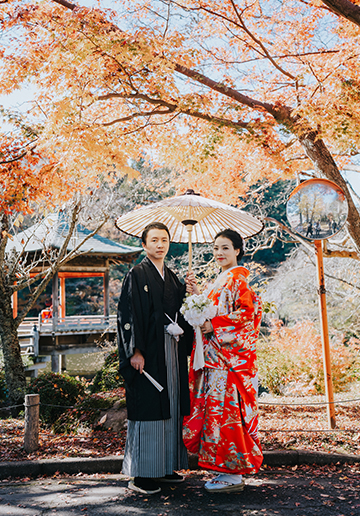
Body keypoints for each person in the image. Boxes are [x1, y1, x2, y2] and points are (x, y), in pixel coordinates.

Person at [184, 229, 263, 493]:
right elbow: (208, 309)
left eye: (226, 248)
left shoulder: (238, 280)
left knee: (228, 415)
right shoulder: (221, 280)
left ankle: (232, 472)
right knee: (216, 414)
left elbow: (246, 316)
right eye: (216, 248)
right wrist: (196, 294)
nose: (219, 253)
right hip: (215, 360)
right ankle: (222, 468)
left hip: (228, 362)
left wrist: (213, 325)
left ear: (238, 251)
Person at [117, 222, 193, 495]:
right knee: (149, 407)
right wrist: (134, 351)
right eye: (155, 240)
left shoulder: (172, 278)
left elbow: (182, 312)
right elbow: (128, 316)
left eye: (164, 240)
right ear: (144, 244)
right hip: (148, 351)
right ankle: (141, 473)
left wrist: (189, 292)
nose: (160, 244)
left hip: (171, 349)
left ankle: (165, 466)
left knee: (170, 404)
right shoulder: (136, 274)